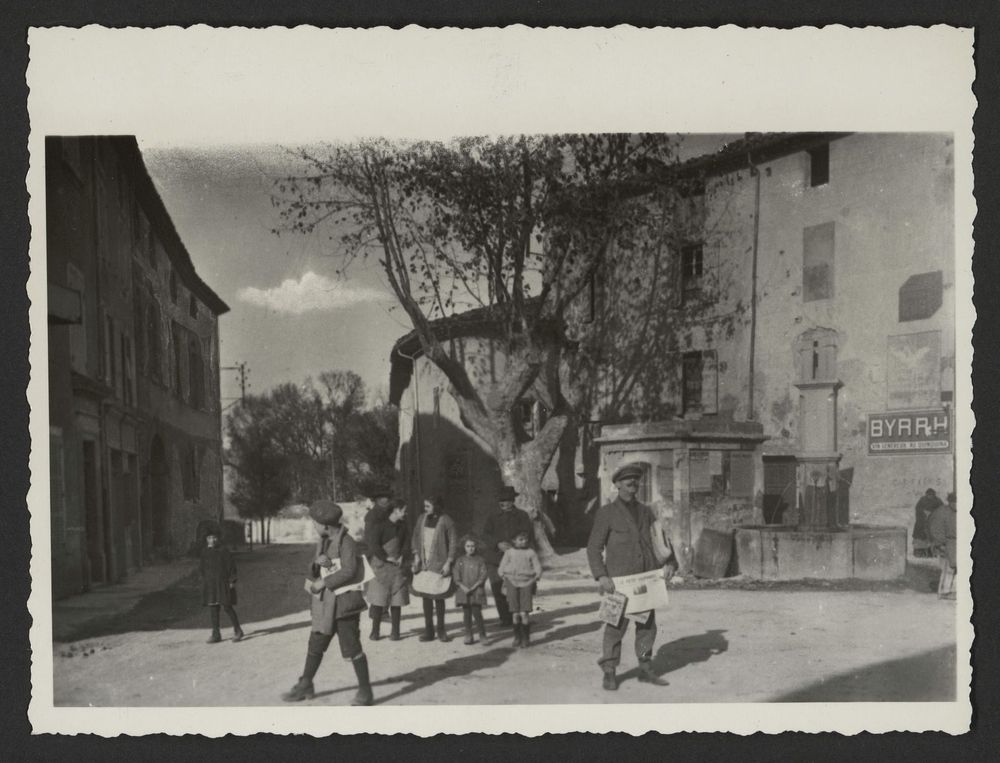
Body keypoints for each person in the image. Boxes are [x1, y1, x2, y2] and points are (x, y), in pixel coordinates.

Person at [587, 463, 671, 691]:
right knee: (614, 627)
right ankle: (610, 670)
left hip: (645, 580)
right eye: (626, 480)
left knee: (646, 627)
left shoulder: (647, 511)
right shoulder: (606, 513)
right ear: (616, 484)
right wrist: (601, 576)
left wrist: (670, 563)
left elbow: (660, 540)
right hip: (617, 583)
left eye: (635, 479)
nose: (632, 483)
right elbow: (593, 548)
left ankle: (645, 667)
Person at [281, 500, 374, 706]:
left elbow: (349, 570)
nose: (314, 526)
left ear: (325, 525)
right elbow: (325, 566)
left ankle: (366, 692)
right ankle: (306, 684)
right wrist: (317, 566)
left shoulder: (347, 542)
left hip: (344, 606)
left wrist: (324, 581)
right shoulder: (323, 541)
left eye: (314, 523)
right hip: (324, 605)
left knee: (352, 648)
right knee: (316, 643)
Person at [481, 485, 535, 627]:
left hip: (516, 559)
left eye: (506, 500)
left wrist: (515, 546)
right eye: (501, 500)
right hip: (496, 559)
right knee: (498, 588)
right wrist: (497, 543)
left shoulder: (522, 516)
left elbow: (528, 535)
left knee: (517, 588)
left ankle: (517, 617)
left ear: (512, 500)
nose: (503, 503)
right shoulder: (492, 516)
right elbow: (485, 535)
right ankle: (505, 619)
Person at [411, 496, 459, 642]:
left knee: (438, 597)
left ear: (437, 506)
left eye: (428, 506)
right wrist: (417, 556)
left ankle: (441, 630)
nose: (425, 509)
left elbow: (453, 543)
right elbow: (415, 537)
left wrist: (448, 562)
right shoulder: (422, 519)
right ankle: (429, 631)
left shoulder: (446, 521)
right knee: (426, 598)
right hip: (424, 564)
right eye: (424, 506)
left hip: (439, 564)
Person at [364, 497, 410, 641]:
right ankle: (375, 631)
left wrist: (402, 555)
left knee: (397, 601)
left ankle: (395, 632)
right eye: (404, 511)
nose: (406, 513)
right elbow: (373, 545)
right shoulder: (380, 526)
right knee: (378, 601)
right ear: (396, 511)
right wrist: (385, 557)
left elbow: (406, 544)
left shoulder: (403, 526)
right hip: (380, 567)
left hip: (397, 567)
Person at [498, 530, 543, 648]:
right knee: (515, 613)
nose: (524, 542)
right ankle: (517, 637)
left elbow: (537, 567)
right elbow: (502, 567)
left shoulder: (530, 552)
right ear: (514, 541)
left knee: (524, 613)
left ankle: (525, 638)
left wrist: (536, 576)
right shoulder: (509, 552)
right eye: (520, 540)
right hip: (512, 582)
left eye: (525, 540)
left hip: (527, 583)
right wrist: (504, 576)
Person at [200, 524, 244, 644]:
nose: (212, 540)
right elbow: (202, 568)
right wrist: (206, 581)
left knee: (227, 607)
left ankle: (238, 630)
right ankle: (216, 634)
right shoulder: (204, 552)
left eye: (214, 538)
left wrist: (231, 581)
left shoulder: (223, 551)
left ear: (218, 539)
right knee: (213, 608)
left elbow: (231, 567)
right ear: (206, 539)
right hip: (211, 585)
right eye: (209, 538)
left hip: (223, 583)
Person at [453, 535, 489, 645]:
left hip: (476, 590)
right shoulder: (460, 560)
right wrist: (463, 587)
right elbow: (456, 576)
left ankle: (482, 635)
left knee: (477, 613)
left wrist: (474, 587)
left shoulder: (480, 560)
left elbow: (483, 575)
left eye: (473, 546)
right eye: (468, 546)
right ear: (464, 547)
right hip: (464, 591)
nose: (471, 548)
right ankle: (468, 634)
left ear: (476, 547)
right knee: (466, 613)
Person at [928, 491, 957, 599]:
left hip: (956, 544)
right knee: (948, 568)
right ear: (950, 502)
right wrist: (940, 544)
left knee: (956, 568)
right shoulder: (941, 512)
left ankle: (953, 590)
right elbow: (936, 529)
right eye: (954, 502)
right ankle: (944, 592)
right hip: (946, 544)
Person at [913, 488, 943, 557]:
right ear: (926, 495)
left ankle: (932, 553)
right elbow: (918, 509)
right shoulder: (922, 500)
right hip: (922, 524)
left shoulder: (938, 501)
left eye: (932, 495)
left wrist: (933, 513)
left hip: (933, 524)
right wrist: (924, 512)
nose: (930, 496)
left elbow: (941, 510)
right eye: (929, 495)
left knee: (933, 539)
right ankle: (920, 553)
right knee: (920, 539)